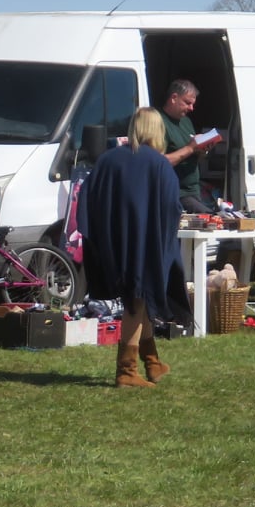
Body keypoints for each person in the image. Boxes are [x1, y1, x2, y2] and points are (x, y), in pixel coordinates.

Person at [80, 107, 194, 387]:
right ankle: (126, 371)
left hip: (111, 245)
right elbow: (170, 208)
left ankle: (152, 362)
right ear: (157, 131)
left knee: (139, 299)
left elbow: (87, 198)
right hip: (144, 244)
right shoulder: (158, 164)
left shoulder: (107, 160)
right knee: (137, 299)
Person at [160, 78, 222, 213]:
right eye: (187, 103)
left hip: (194, 190)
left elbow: (193, 157)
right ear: (174, 98)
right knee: (210, 219)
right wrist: (191, 147)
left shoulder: (186, 122)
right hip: (177, 192)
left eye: (193, 104)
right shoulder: (158, 122)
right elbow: (159, 162)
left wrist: (201, 150)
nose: (191, 108)